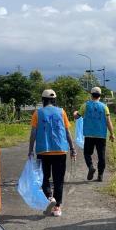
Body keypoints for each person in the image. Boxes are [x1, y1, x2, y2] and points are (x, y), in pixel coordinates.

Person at [28, 89, 77, 217]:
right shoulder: (62, 112)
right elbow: (67, 132)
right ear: (54, 100)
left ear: (43, 100)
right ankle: (57, 207)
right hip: (60, 150)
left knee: (44, 177)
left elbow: (33, 133)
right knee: (58, 179)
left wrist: (30, 150)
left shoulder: (37, 113)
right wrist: (72, 148)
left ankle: (49, 197)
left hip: (43, 151)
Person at [73, 86, 116, 182]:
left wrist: (75, 113)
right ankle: (100, 175)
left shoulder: (85, 105)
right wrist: (112, 134)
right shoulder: (104, 107)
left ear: (91, 95)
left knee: (87, 153)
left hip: (89, 134)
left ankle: (91, 166)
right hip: (101, 135)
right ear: (100, 96)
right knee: (101, 156)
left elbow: (77, 116)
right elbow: (108, 121)